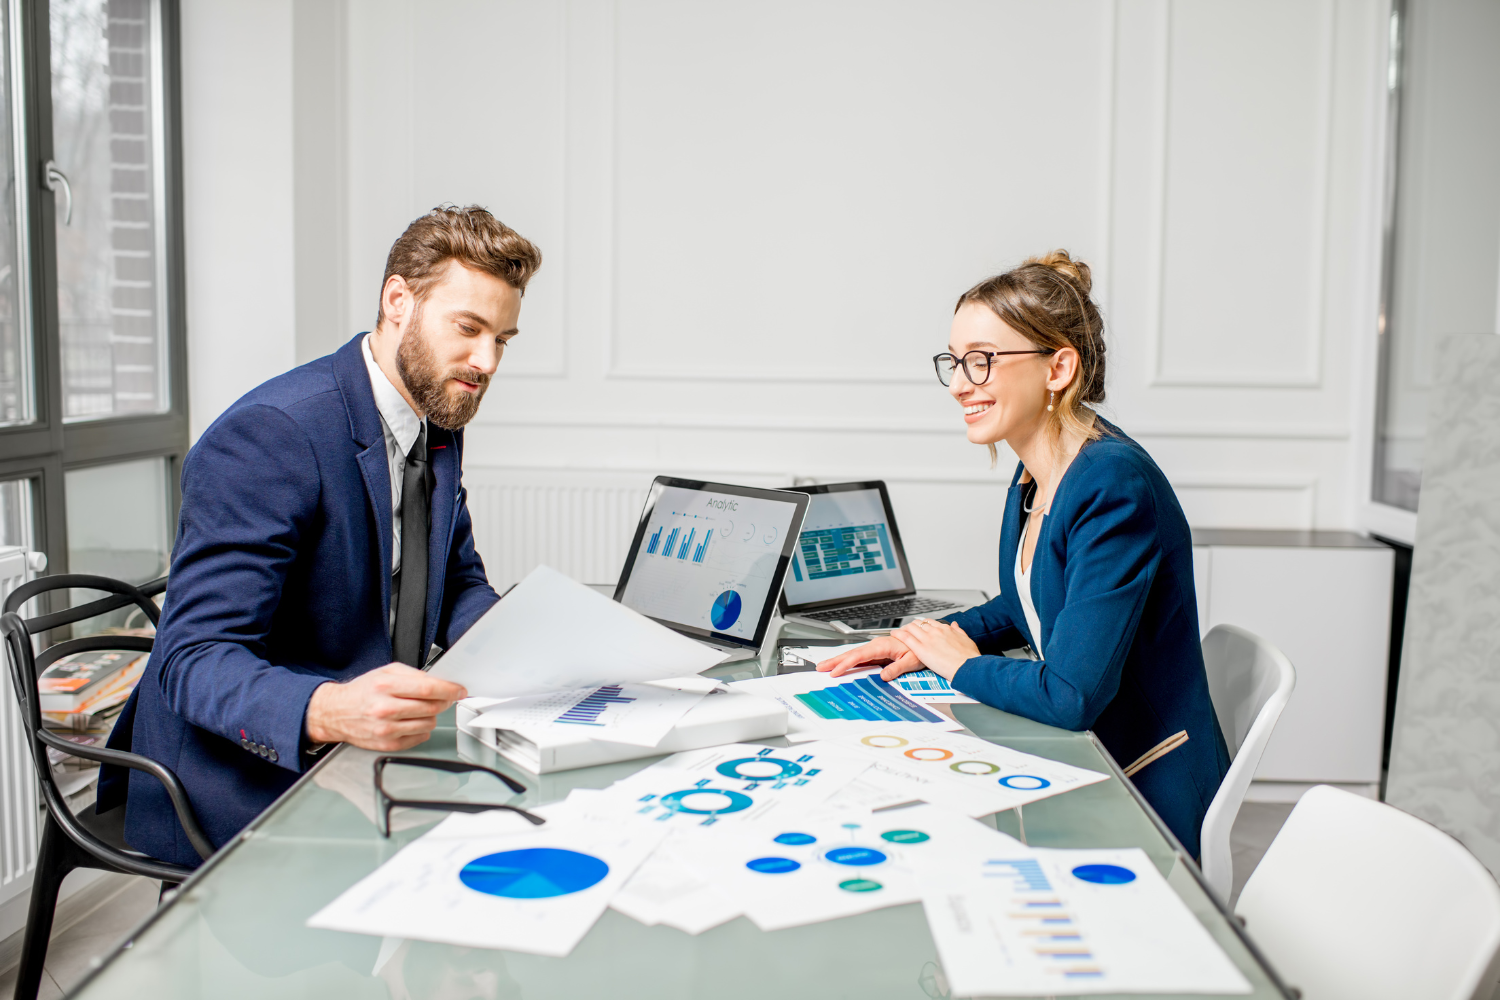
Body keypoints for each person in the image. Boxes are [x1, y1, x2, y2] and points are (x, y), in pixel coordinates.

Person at [99, 206, 542, 866]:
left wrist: (529, 645)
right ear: (399, 300)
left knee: (528, 822)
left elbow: (454, 581)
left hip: (365, 742)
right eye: (469, 328)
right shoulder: (272, 436)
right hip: (246, 764)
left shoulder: (438, 417)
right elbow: (191, 660)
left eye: (502, 339)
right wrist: (329, 710)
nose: (487, 361)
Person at [819, 251, 1228, 857]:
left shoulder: (1113, 484)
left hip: (1141, 794)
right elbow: (1027, 601)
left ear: (1058, 367)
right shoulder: (1038, 471)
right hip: (1088, 762)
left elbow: (1071, 695)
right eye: (955, 363)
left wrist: (958, 664)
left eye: (981, 362)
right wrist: (924, 639)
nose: (960, 384)